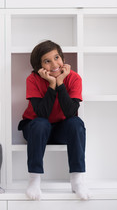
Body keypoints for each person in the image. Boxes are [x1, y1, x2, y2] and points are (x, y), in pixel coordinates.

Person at [18, 40, 90, 200]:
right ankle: (34, 180)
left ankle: (77, 180)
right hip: (35, 127)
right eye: (47, 61)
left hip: (59, 129)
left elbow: (71, 112)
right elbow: (42, 113)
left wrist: (60, 83)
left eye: (56, 57)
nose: (54, 64)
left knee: (76, 123)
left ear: (63, 58)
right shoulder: (33, 79)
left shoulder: (74, 78)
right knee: (41, 123)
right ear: (39, 67)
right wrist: (52, 84)